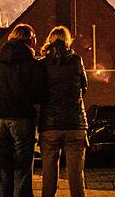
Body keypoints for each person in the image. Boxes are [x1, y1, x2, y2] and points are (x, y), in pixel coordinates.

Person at [0, 24, 44, 197]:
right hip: (22, 118)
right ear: (30, 40)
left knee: (4, 165)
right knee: (23, 166)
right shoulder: (32, 65)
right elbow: (38, 93)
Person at [38, 25, 88, 197]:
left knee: (49, 175)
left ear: (50, 40)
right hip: (75, 124)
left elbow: (39, 91)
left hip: (50, 124)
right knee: (76, 176)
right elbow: (84, 86)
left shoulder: (43, 64)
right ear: (67, 40)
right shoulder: (76, 60)